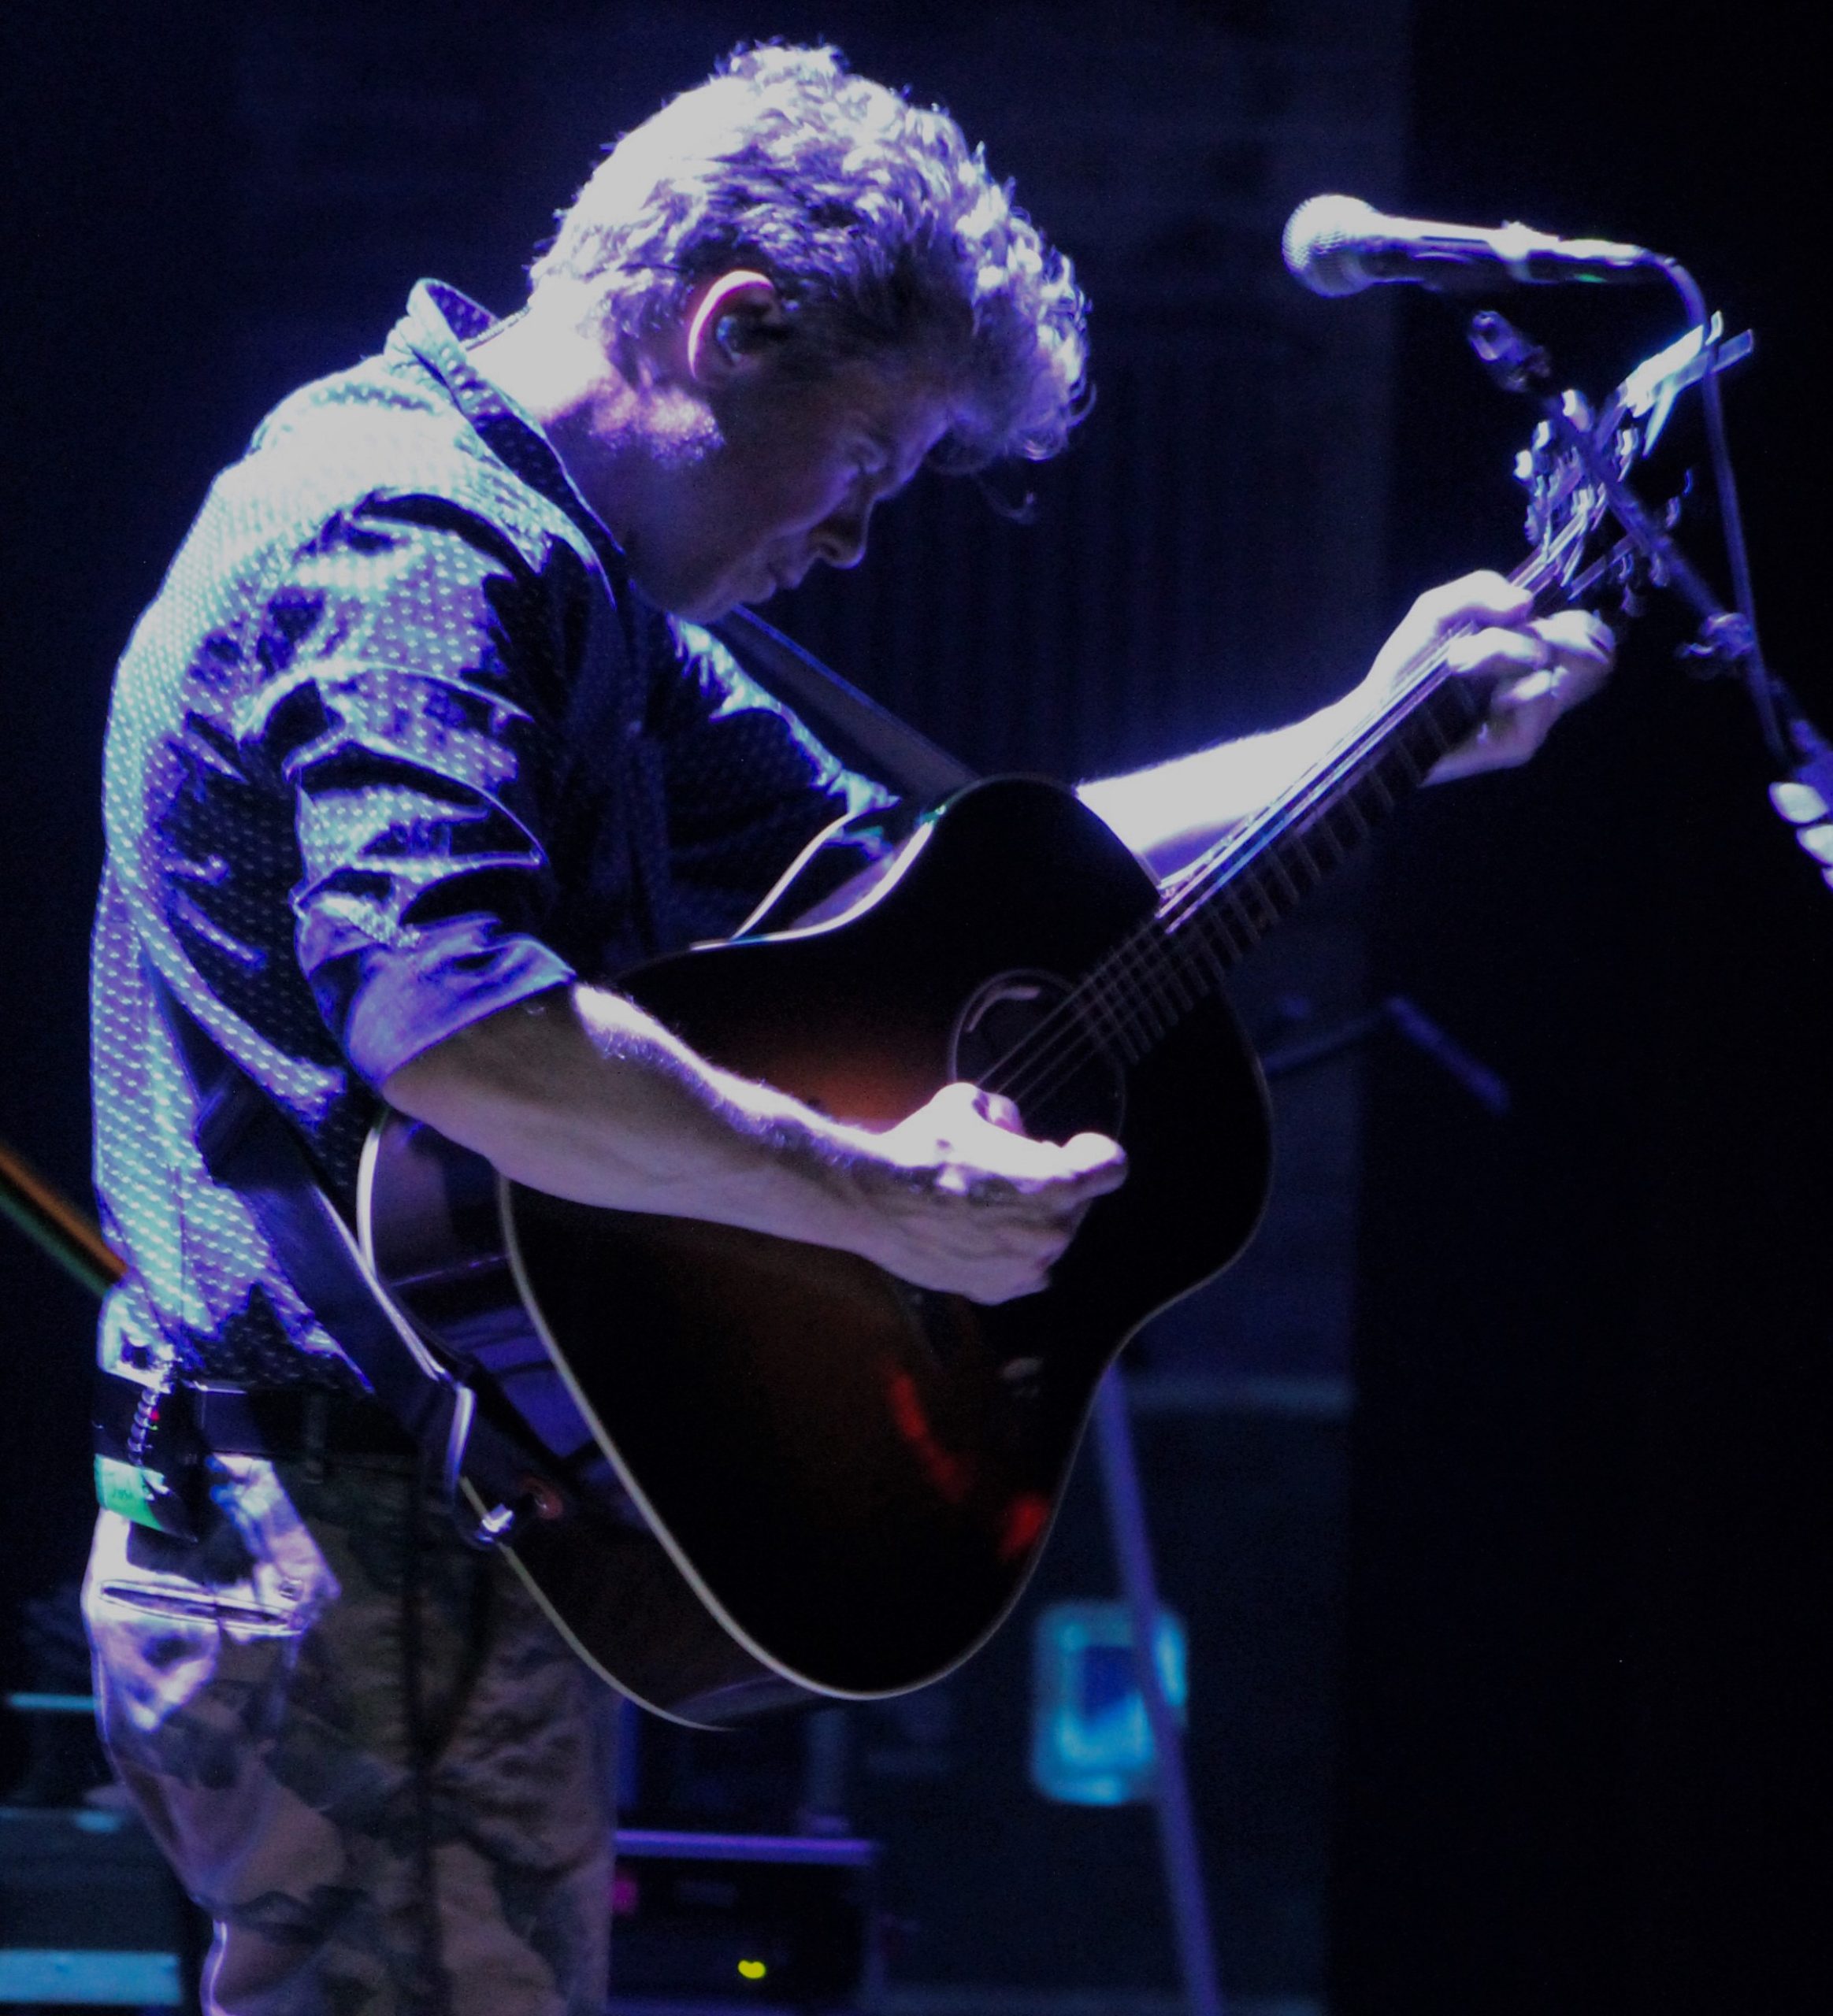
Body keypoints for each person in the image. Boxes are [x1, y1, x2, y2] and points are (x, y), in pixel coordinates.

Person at [80, 42, 1611, 2016]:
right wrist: (879, 1191)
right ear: (731, 326)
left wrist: (1373, 735)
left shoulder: (570, 571)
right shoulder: (413, 541)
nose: (858, 540)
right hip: (340, 1531)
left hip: (415, 1535)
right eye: (870, 463)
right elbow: (454, 1026)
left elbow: (933, 877)